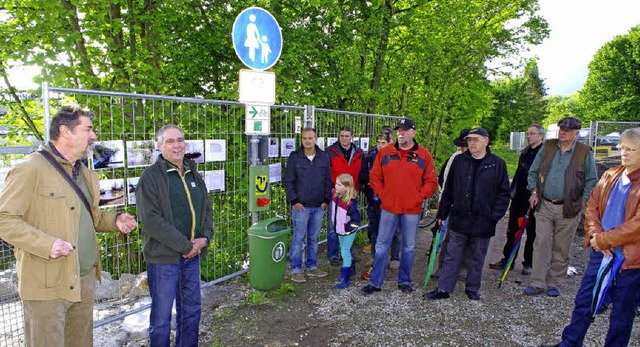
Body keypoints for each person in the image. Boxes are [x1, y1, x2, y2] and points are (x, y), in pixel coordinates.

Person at [0, 105, 137, 346]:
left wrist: (115, 220)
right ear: (65, 131)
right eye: (88, 130)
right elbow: (5, 219)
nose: (93, 136)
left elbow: (91, 216)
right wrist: (46, 244)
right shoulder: (30, 168)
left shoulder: (84, 173)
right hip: (46, 284)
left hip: (83, 279)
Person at [541, 128, 640, 347]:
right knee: (584, 301)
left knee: (621, 314)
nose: (625, 153)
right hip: (600, 253)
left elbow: (637, 225)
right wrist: (595, 235)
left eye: (631, 149)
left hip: (630, 260)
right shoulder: (611, 175)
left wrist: (604, 240)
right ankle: (570, 342)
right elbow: (592, 206)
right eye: (623, 148)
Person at [136, 124, 214, 346]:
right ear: (159, 146)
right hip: (164, 260)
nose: (177, 145)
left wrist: (204, 238)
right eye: (170, 141)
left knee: (191, 312)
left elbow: (207, 209)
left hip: (192, 256)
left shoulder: (192, 172)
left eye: (180, 140)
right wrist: (185, 246)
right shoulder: (151, 177)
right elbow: (151, 221)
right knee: (161, 320)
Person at [425, 127, 510, 300]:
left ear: (485, 141)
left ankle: (472, 288)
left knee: (477, 257)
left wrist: (494, 217)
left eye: (475, 140)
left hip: (483, 220)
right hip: (460, 217)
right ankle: (444, 288)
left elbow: (503, 194)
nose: (471, 143)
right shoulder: (459, 161)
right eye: (469, 140)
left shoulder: (497, 163)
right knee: (452, 254)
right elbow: (448, 189)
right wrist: (442, 214)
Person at [362, 117, 438, 295]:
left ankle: (404, 280)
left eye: (405, 130)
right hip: (389, 207)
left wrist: (419, 197)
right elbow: (374, 177)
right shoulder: (386, 152)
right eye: (399, 130)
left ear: (413, 132)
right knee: (381, 246)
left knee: (409, 246)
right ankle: (375, 282)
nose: (401, 133)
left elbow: (431, 181)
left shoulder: (423, 155)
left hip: (412, 210)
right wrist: (383, 194)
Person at [524, 117, 598, 297]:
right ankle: (537, 282)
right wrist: (534, 191)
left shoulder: (584, 152)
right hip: (545, 204)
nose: (563, 132)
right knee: (541, 242)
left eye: (567, 130)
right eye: (561, 129)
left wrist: (583, 202)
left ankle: (555, 283)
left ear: (576, 133)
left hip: (569, 207)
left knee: (562, 246)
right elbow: (533, 171)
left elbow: (591, 180)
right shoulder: (548, 147)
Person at [489, 124, 545, 275]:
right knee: (513, 230)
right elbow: (519, 176)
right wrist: (511, 193)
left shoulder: (545, 154)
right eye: (528, 134)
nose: (529, 136)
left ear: (541, 136)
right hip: (518, 197)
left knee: (532, 232)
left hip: (535, 199)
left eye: (532, 134)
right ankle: (508, 259)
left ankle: (528, 263)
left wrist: (537, 193)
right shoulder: (525, 152)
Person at [284, 127, 333, 282]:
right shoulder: (295, 157)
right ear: (302, 139)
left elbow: (328, 180)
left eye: (310, 138)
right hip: (301, 207)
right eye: (304, 138)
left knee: (313, 238)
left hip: (319, 206)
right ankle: (296, 269)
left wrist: (326, 200)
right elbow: (288, 181)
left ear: (316, 139)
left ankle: (312, 267)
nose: (307, 141)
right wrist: (294, 201)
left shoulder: (324, 157)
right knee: (298, 238)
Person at [358, 129, 401, 279]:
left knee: (394, 230)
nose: (380, 146)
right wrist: (372, 183)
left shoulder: (396, 157)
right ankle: (376, 257)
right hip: (373, 200)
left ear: (390, 143)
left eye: (384, 143)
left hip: (390, 201)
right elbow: (362, 177)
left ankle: (395, 256)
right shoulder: (370, 157)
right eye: (378, 142)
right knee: (374, 229)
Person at [327, 126, 364, 266]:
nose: (344, 138)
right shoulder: (331, 152)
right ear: (338, 136)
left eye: (347, 136)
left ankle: (347, 251)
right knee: (333, 225)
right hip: (336, 194)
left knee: (350, 223)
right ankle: (333, 254)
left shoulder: (359, 153)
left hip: (352, 194)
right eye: (342, 135)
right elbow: (327, 172)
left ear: (351, 137)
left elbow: (361, 173)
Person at [329, 173, 361, 289]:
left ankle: (345, 279)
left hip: (347, 232)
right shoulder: (334, 195)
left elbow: (356, 219)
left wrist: (348, 228)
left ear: (347, 187)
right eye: (336, 184)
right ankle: (350, 272)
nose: (336, 186)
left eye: (339, 185)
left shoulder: (350, 203)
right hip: (339, 229)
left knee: (345, 252)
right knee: (344, 250)